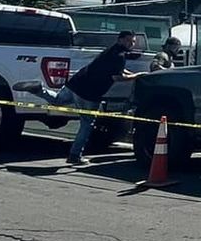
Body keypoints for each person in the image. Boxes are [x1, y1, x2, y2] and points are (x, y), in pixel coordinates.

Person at [56, 30, 142, 164]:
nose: (131, 44)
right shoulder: (119, 55)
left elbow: (118, 70)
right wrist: (136, 76)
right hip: (90, 94)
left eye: (133, 41)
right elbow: (117, 77)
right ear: (120, 40)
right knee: (86, 124)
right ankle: (75, 155)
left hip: (76, 83)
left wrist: (132, 73)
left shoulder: (110, 51)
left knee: (58, 100)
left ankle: (40, 90)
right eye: (128, 40)